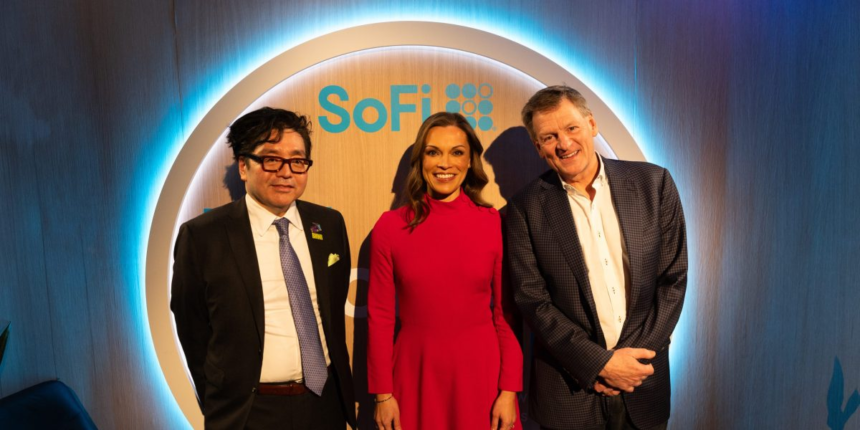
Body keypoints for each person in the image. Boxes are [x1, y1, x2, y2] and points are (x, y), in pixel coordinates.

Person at [505, 86, 687, 430]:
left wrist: (631, 364)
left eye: (571, 128)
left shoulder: (654, 184)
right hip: (569, 394)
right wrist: (599, 364)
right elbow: (532, 301)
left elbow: (673, 279)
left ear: (591, 124)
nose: (564, 143)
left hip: (643, 382)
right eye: (549, 137)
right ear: (538, 147)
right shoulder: (524, 208)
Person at [171, 107, 356, 430]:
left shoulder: (328, 224)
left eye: (297, 161)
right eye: (272, 160)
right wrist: (221, 399)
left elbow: (334, 306)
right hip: (249, 412)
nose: (286, 172)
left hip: (324, 404)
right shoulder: (202, 236)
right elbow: (192, 329)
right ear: (244, 166)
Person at [367, 112, 523, 430]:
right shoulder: (390, 227)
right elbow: (380, 317)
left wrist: (509, 390)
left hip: (482, 377)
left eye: (457, 152)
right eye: (433, 152)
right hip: (415, 375)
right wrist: (383, 395)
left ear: (470, 161)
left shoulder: (493, 223)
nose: (444, 164)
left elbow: (505, 313)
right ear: (421, 160)